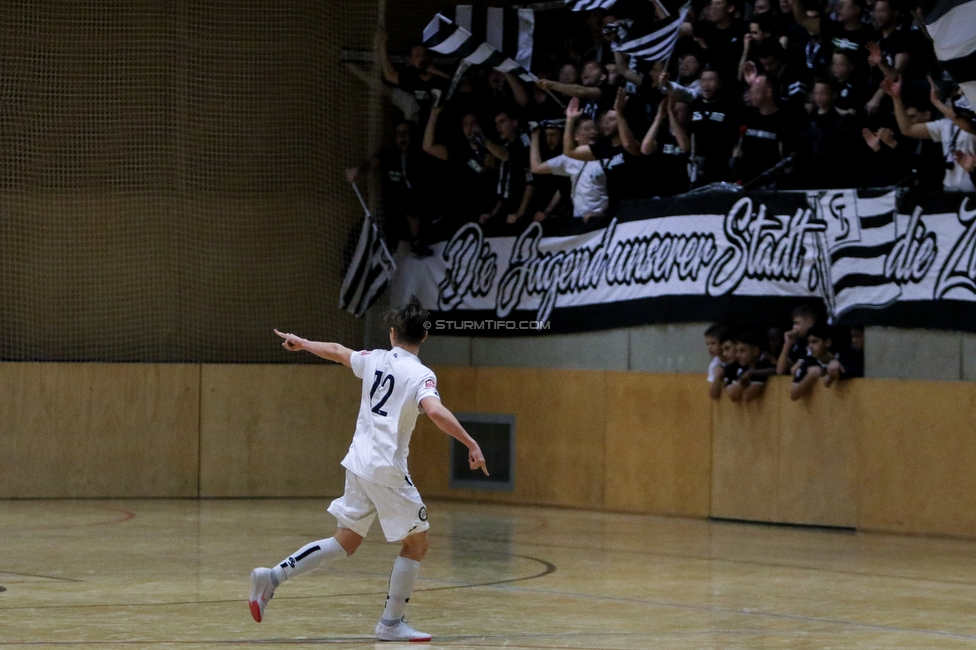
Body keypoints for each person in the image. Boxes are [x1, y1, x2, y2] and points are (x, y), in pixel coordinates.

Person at [248, 298, 489, 642]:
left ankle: (271, 576)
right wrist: (471, 442)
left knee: (345, 541)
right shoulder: (421, 374)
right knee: (417, 543)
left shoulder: (374, 359)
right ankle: (391, 623)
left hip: (358, 463)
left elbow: (336, 350)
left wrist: (301, 343)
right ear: (424, 337)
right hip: (386, 470)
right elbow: (434, 412)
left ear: (392, 333)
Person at [882, 76, 976, 192]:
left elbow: (965, 124)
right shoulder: (945, 125)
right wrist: (896, 99)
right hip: (949, 187)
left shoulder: (972, 124)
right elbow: (908, 129)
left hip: (972, 186)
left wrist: (936, 102)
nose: (952, 102)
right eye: (953, 98)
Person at [726, 331, 777, 402]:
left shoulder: (762, 366)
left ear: (755, 351)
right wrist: (744, 379)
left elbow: (746, 397)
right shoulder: (741, 366)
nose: (738, 355)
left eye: (742, 351)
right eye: (737, 351)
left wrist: (750, 374)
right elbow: (731, 394)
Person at [790, 322, 835, 400]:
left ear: (827, 343)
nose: (810, 346)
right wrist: (810, 376)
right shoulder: (808, 363)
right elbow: (793, 395)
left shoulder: (839, 359)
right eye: (809, 342)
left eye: (815, 342)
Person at [777, 303, 818, 374]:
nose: (793, 327)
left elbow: (795, 369)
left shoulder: (819, 340)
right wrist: (787, 344)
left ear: (809, 323)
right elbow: (780, 370)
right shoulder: (800, 342)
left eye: (797, 323)